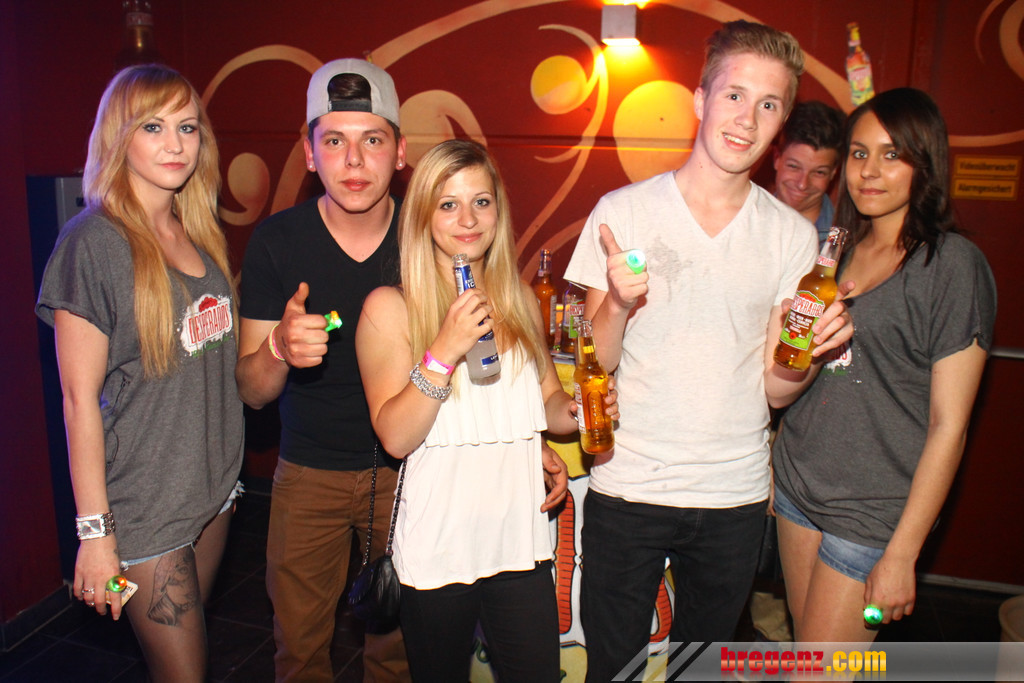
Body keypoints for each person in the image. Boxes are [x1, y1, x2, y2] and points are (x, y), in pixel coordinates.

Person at [563, 21, 852, 680]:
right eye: (734, 95)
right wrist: (617, 302)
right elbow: (595, 365)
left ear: (780, 124)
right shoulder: (623, 212)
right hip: (630, 484)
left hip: (733, 494)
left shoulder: (790, 236)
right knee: (613, 669)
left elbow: (775, 389)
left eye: (768, 104)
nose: (747, 119)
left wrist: (807, 352)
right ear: (700, 100)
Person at [356, 139, 607, 681]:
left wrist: (584, 410)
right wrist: (443, 350)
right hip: (438, 549)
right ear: (423, 216)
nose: (468, 219)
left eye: (481, 202)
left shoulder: (518, 299)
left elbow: (548, 403)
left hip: (518, 540)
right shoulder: (389, 308)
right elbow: (396, 437)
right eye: (448, 204)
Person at [35, 64, 243, 682]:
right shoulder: (93, 242)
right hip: (146, 507)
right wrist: (96, 534)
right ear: (119, 137)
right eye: (153, 127)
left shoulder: (195, 231)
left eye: (188, 127)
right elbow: (78, 400)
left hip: (211, 492)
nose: (175, 144)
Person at [772, 87, 996, 642]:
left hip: (872, 514)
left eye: (892, 154)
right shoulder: (837, 253)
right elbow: (811, 375)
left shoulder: (951, 265)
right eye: (859, 153)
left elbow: (949, 426)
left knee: (822, 673)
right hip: (799, 489)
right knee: (808, 654)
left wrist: (903, 553)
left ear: (926, 163)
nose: (869, 171)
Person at [236, 59, 409, 681]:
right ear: (310, 154)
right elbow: (252, 392)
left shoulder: (430, 236)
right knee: (301, 651)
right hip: (309, 475)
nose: (354, 161)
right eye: (334, 141)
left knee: (400, 653)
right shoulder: (277, 242)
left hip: (411, 472)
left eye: (373, 139)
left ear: (400, 152)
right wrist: (278, 349)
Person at [772, 100, 845, 244]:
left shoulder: (841, 242)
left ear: (834, 172)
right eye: (794, 166)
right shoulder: (742, 221)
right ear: (776, 159)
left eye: (819, 172)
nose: (802, 184)